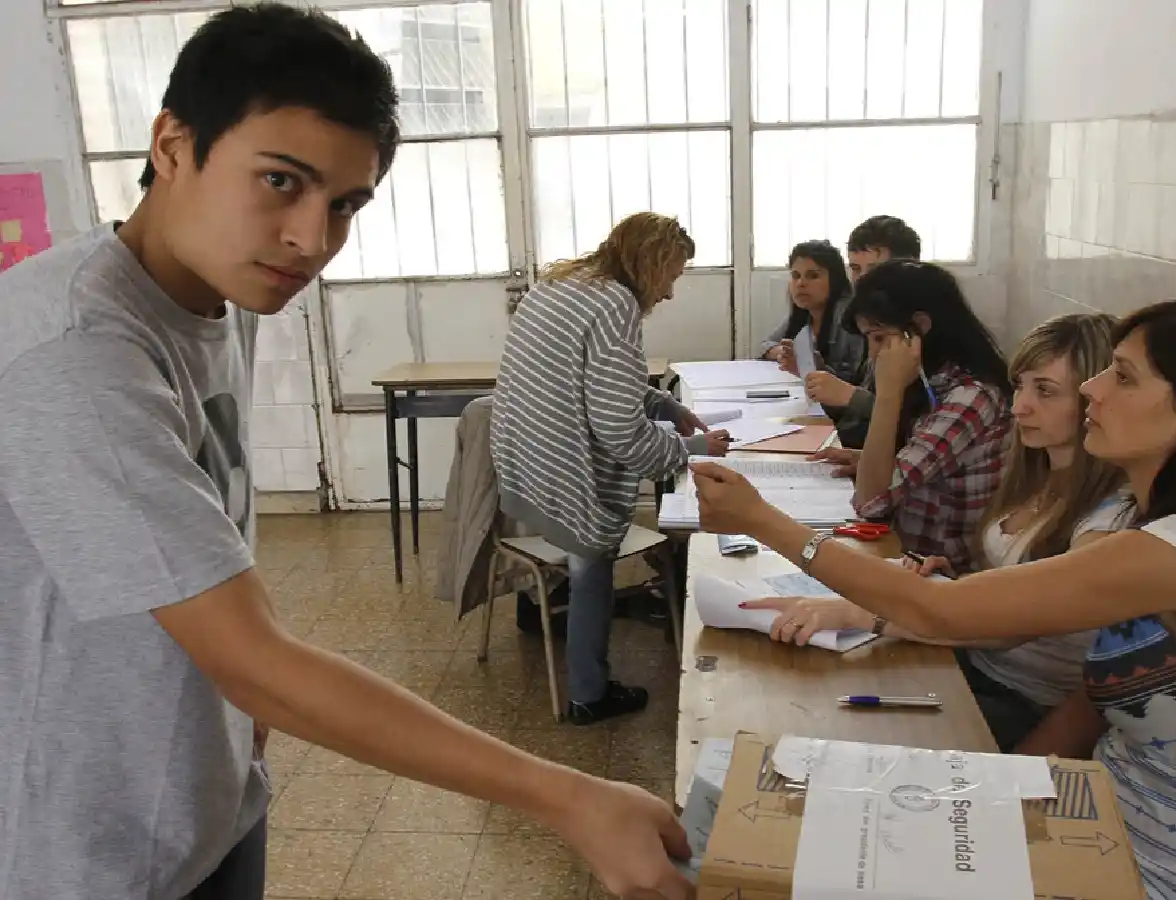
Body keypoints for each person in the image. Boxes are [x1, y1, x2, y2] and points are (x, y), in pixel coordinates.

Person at [0, 7, 694, 900]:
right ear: (172, 144)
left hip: (205, 798)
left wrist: (237, 715)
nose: (311, 240)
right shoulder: (76, 351)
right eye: (279, 181)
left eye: (345, 205)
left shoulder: (214, 296)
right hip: (88, 848)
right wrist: (566, 797)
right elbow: (254, 655)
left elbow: (207, 556)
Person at [691, 299, 1176, 899]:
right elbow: (1095, 694)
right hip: (1101, 821)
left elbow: (946, 613)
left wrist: (762, 521)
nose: (1093, 388)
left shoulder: (1169, 548)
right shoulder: (1146, 525)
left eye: (1122, 376)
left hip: (1155, 866)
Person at [744, 313, 1128, 750]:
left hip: (1022, 700)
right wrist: (954, 582)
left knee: (844, 731)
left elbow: (1011, 626)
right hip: (972, 660)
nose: (1020, 405)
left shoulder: (1108, 521)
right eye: (1020, 385)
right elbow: (1006, 590)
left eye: (1045, 391)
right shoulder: (1036, 474)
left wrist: (865, 613)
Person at [492, 212, 729, 726]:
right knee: (593, 558)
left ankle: (537, 611)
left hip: (520, 464)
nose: (669, 293)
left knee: (574, 542)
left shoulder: (566, 283)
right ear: (650, 264)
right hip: (558, 468)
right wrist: (694, 448)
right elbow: (621, 434)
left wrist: (663, 407)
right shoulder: (616, 304)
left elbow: (592, 376)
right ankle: (588, 696)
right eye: (672, 275)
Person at [811, 260, 1012, 573]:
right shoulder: (932, 379)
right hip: (904, 555)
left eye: (879, 338)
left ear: (919, 326)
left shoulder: (971, 397)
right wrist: (867, 458)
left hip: (946, 577)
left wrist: (888, 395)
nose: (873, 354)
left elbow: (870, 501)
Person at [803, 215, 922, 447]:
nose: (863, 279)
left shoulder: (919, 324)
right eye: (856, 269)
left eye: (876, 269)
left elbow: (915, 419)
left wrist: (850, 396)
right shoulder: (870, 317)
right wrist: (822, 374)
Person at [756, 240, 869, 444]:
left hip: (847, 421)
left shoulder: (847, 316)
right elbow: (765, 344)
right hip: (817, 406)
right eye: (795, 276)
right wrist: (784, 353)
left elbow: (851, 385)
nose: (801, 284)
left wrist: (814, 369)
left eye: (813, 276)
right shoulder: (803, 313)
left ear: (834, 280)